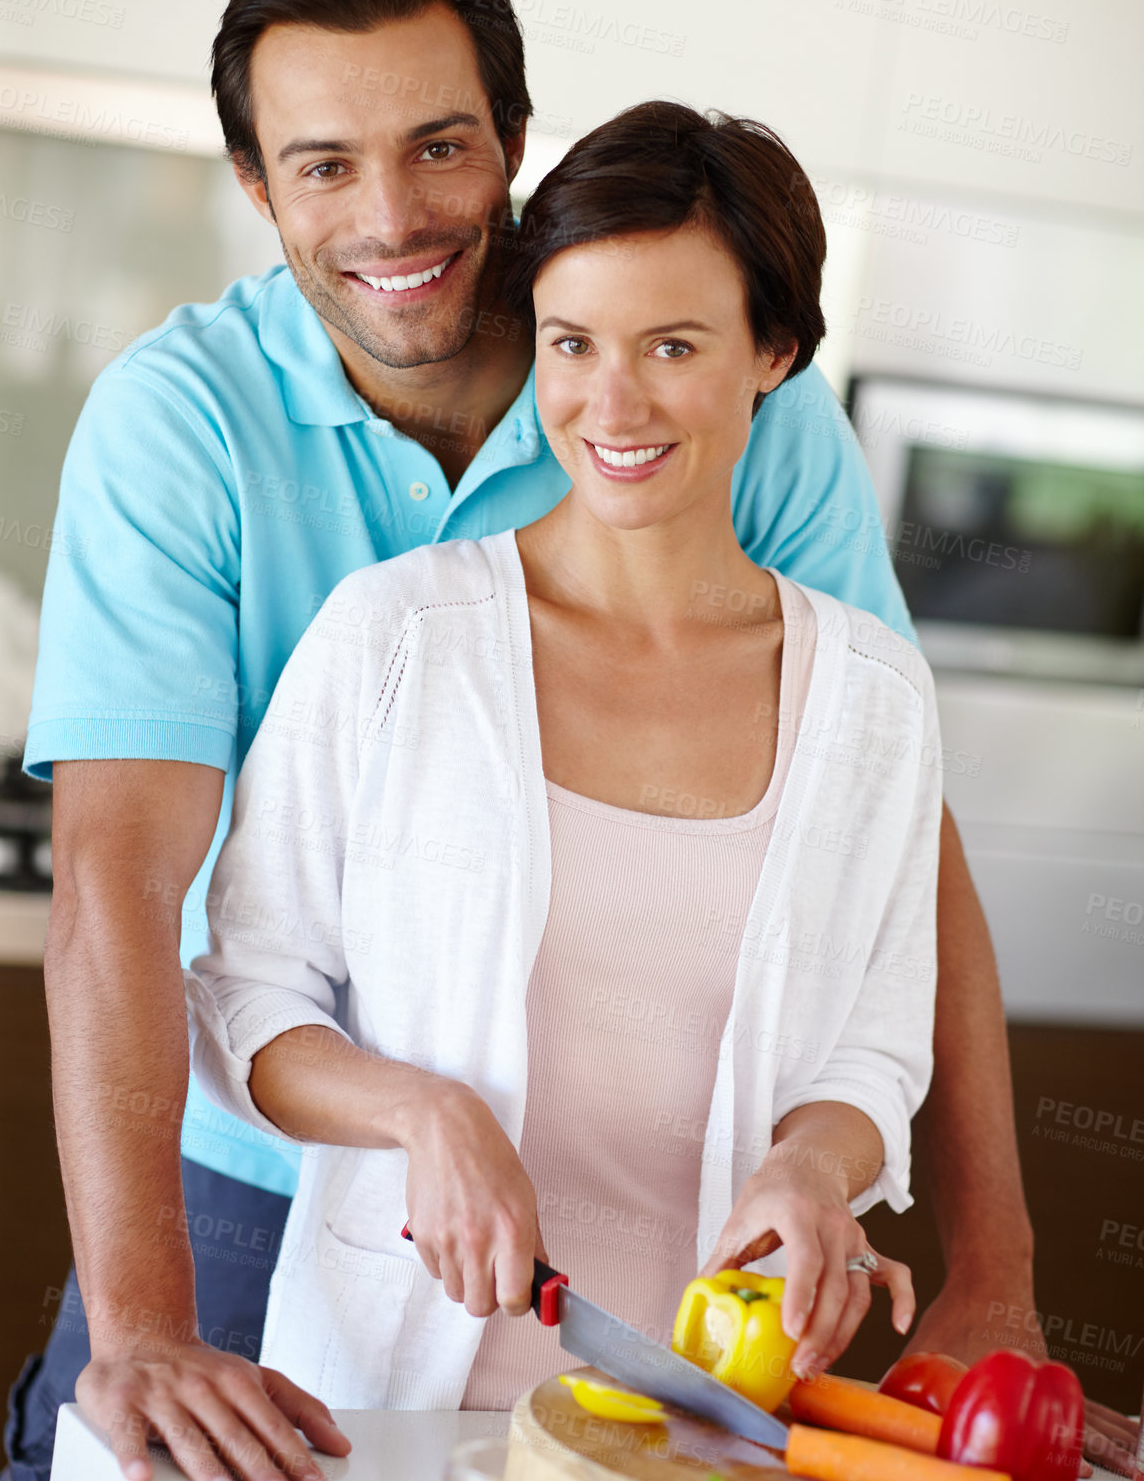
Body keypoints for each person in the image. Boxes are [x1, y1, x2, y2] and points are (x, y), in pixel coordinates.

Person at [0, 0, 1124, 1481]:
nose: (390, 217)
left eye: (439, 148)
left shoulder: (735, 411)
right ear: (256, 186)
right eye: (321, 165)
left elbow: (895, 842)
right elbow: (121, 876)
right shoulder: (197, 437)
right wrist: (149, 1320)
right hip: (255, 1170)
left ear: (511, 142)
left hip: (670, 1287)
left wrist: (991, 1270)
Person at [183, 100, 942, 1408]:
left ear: (773, 350)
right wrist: (423, 1112)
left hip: (699, 1412)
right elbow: (247, 997)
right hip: (380, 1405)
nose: (612, 400)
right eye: (572, 342)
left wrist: (813, 1167)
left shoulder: (872, 700)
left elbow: (873, 1052)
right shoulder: (394, 638)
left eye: (673, 346)